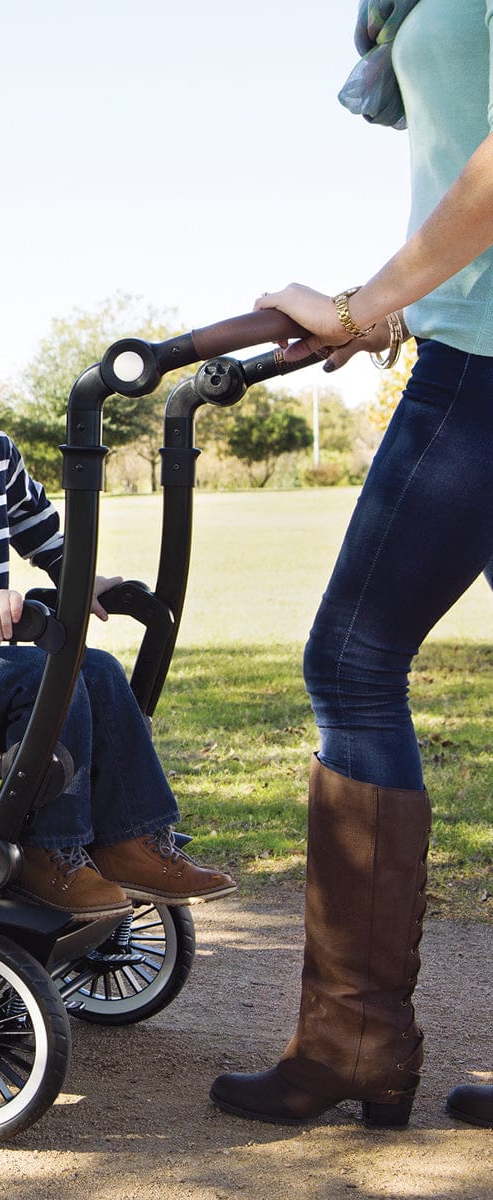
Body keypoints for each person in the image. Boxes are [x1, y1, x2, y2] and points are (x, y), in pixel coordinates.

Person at [210, 0, 493, 1130]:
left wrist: (372, 301)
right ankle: (354, 1038)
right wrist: (389, 305)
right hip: (465, 330)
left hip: (485, 360)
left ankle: (356, 1039)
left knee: (355, 658)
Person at [0, 286, 237, 923]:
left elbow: (41, 532)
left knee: (98, 669)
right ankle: (51, 853)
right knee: (44, 672)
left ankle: (132, 840)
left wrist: (83, 577)